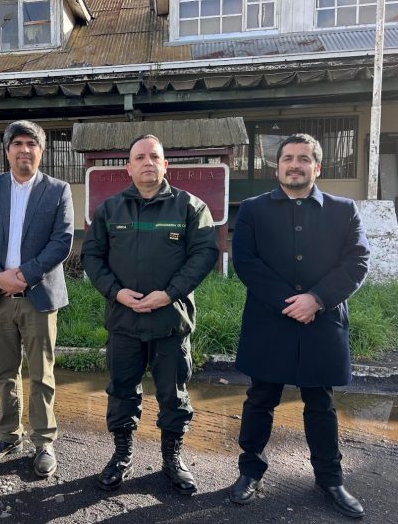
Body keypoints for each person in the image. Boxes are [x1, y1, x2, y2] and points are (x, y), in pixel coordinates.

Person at [228, 134, 370, 519]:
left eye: (303, 158)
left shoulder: (343, 210)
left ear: (317, 167)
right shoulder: (254, 210)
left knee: (320, 403)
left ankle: (330, 478)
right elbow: (246, 261)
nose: (295, 164)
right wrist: (289, 302)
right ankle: (249, 472)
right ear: (278, 167)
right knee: (260, 399)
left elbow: (356, 262)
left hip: (322, 321)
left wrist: (317, 299)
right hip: (269, 320)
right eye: (288, 158)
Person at [81, 134, 218, 494]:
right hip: (124, 321)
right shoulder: (110, 210)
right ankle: (121, 456)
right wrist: (116, 292)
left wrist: (168, 295)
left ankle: (172, 459)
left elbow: (204, 255)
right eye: (139, 157)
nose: (147, 162)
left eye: (154, 156)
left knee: (173, 395)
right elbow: (92, 256)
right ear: (128, 167)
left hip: (169, 321)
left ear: (165, 164)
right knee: (122, 391)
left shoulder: (190, 208)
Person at [0, 120, 74, 479]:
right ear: (7, 149)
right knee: (4, 372)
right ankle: (7, 435)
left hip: (38, 296)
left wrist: (24, 275)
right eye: (18, 143)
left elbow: (62, 241)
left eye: (32, 143)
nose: (24, 150)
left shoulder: (57, 190)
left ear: (41, 151)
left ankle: (43, 441)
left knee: (41, 374)